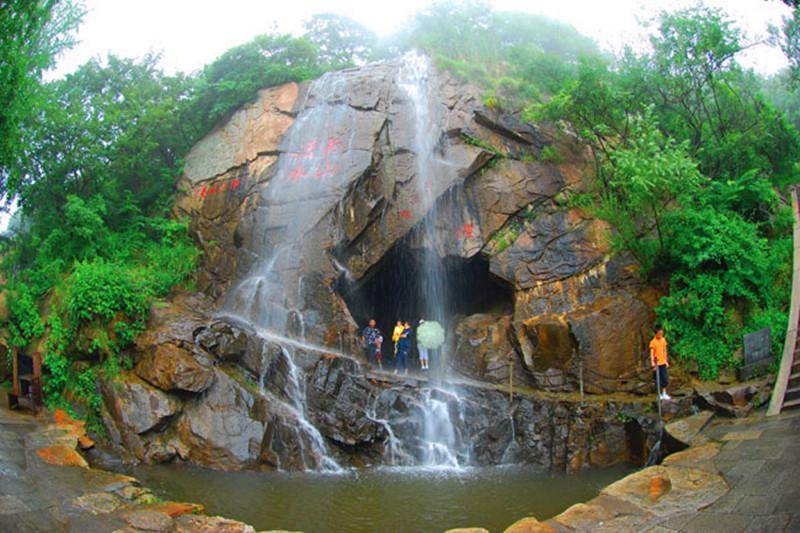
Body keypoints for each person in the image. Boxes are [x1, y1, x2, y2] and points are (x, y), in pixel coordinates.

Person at [650, 326, 670, 400]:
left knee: (665, 378)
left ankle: (664, 393)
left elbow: (665, 351)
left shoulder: (663, 340)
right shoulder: (653, 342)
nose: (661, 335)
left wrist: (666, 361)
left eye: (662, 333)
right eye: (659, 334)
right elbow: (652, 353)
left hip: (663, 362)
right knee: (658, 379)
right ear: (656, 334)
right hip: (657, 363)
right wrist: (652, 363)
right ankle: (659, 394)